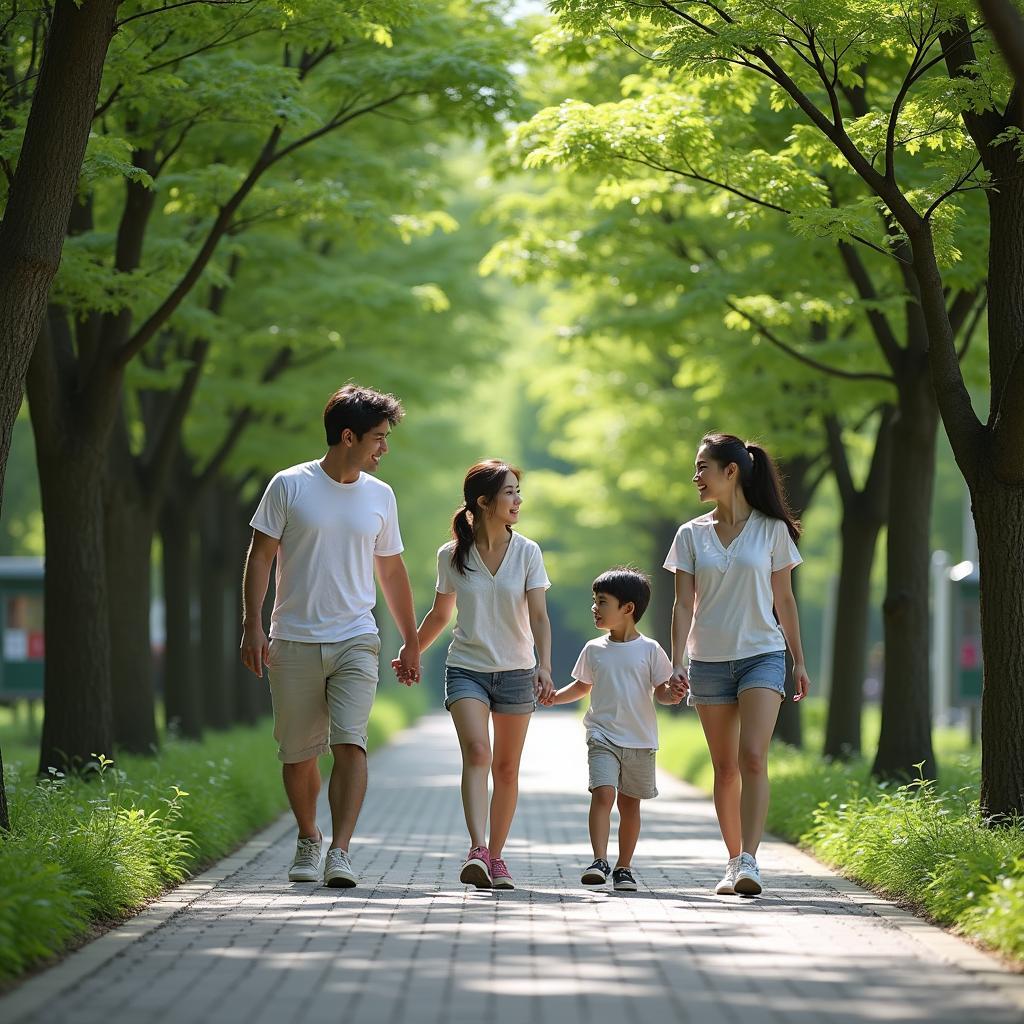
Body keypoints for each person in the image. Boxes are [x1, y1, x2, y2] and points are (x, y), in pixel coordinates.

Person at [240, 384, 420, 889]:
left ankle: (340, 851)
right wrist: (252, 624)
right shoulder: (289, 485)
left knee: (350, 743)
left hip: (356, 637)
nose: (384, 448)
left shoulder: (381, 496)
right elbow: (261, 557)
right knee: (297, 754)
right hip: (292, 639)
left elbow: (391, 571)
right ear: (348, 436)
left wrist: (410, 638)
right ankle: (308, 836)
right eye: (379, 438)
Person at [663, 432, 809, 897]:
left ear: (731, 472)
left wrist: (798, 661)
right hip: (707, 660)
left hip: (762, 655)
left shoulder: (772, 530)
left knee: (753, 758)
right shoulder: (690, 534)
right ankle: (732, 862)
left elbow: (784, 599)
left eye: (703, 467)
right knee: (724, 768)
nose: (696, 476)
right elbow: (682, 605)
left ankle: (750, 860)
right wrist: (676, 661)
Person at [400, 460, 553, 890]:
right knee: (478, 753)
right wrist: (411, 648)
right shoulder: (451, 555)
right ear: (484, 501)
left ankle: (498, 857)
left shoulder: (528, 552)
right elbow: (440, 613)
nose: (518, 500)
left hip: (518, 671)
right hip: (466, 668)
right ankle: (478, 849)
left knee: (506, 768)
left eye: (518, 491)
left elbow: (539, 616)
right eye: (510, 492)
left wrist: (544, 665)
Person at [543, 568, 684, 891]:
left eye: (602, 602)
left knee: (630, 804)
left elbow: (661, 691)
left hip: (639, 739)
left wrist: (672, 694)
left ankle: (624, 867)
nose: (594, 607)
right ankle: (599, 859)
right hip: (602, 735)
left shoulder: (650, 650)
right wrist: (555, 698)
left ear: (628, 608)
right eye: (594, 601)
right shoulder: (594, 649)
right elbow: (582, 686)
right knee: (603, 793)